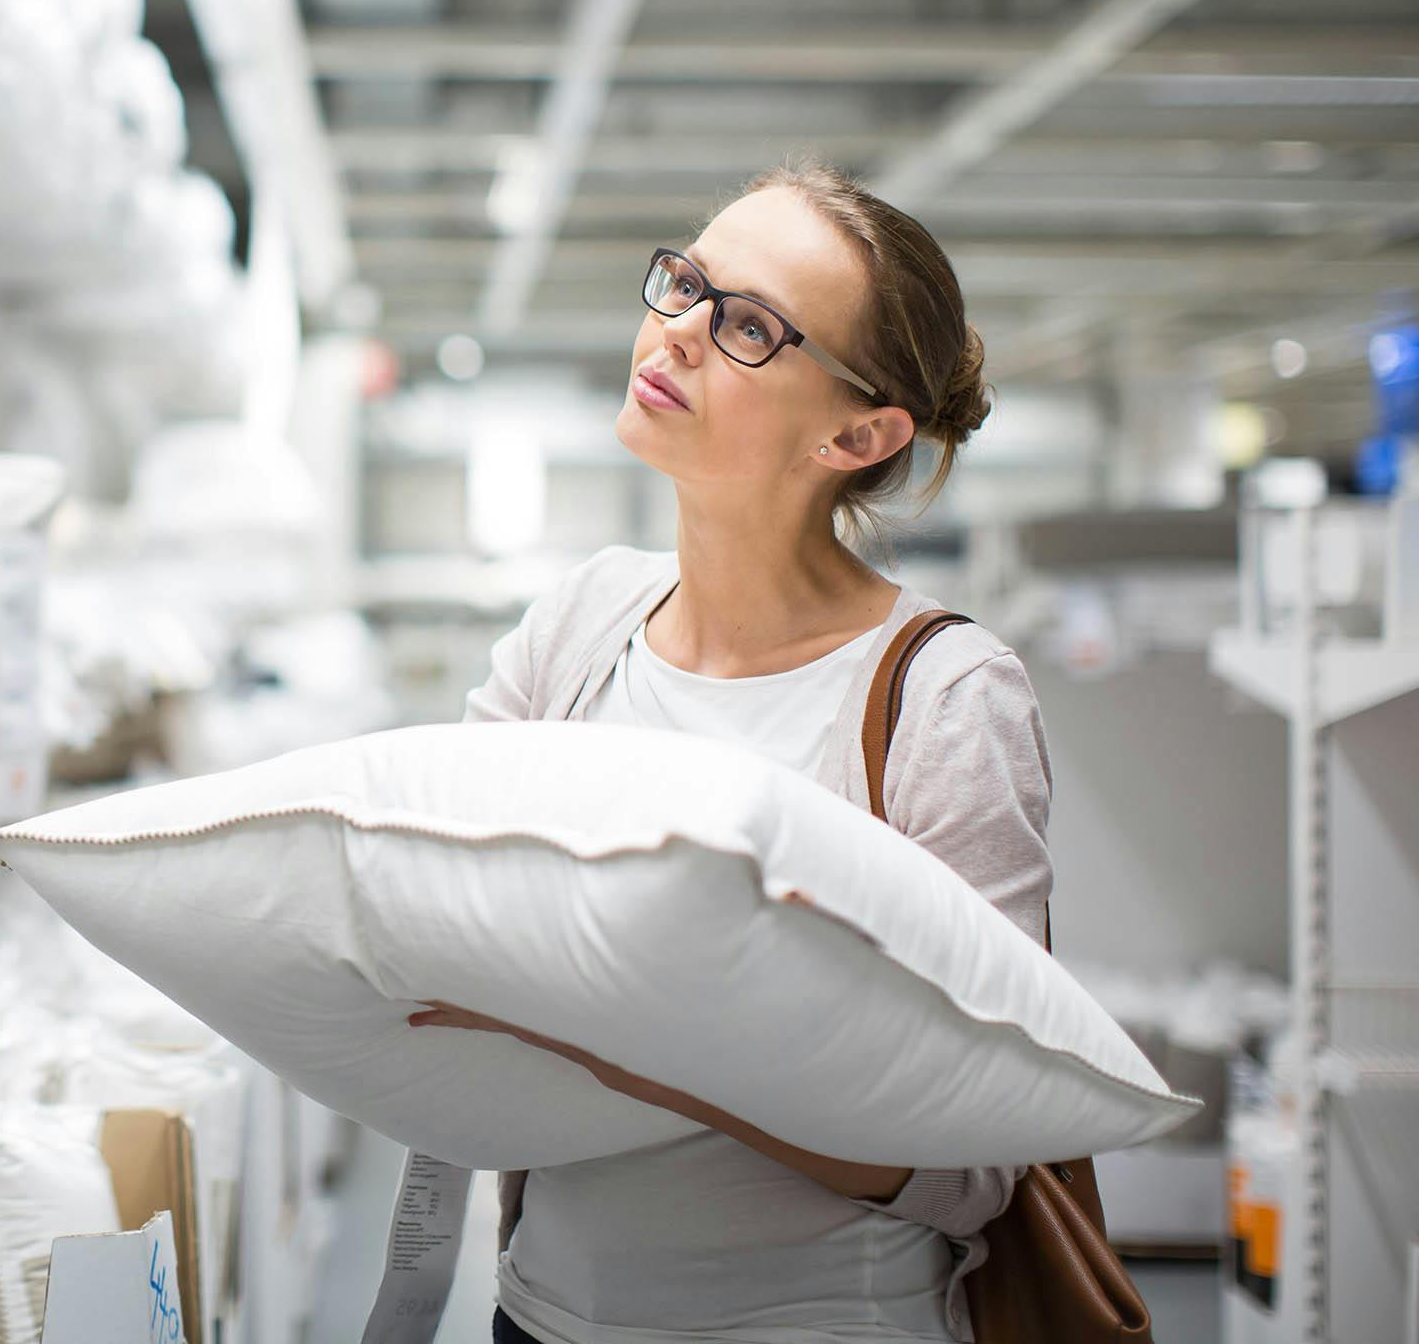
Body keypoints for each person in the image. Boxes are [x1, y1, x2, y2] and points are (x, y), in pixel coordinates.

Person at [411, 159, 1054, 1344]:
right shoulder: (580, 625)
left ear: (859, 430)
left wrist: (664, 1064)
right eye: (685, 282)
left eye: (749, 324)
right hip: (538, 1316)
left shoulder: (943, 698)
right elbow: (431, 919)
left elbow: (980, 1153)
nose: (679, 332)